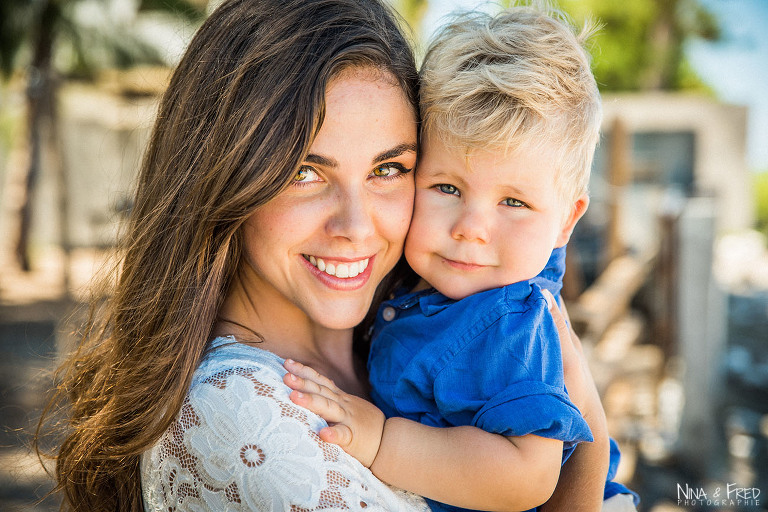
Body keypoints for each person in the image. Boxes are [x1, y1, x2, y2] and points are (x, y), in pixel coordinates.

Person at [37, 0, 612, 510]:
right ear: (224, 177)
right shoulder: (240, 419)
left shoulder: (422, 317)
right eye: (306, 172)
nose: (357, 226)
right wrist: (585, 408)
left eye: (388, 169)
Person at [283, 5, 639, 512]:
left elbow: (526, 475)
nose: (471, 227)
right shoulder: (423, 276)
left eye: (513, 202)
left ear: (566, 220)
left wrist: (383, 442)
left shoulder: (510, 321)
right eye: (447, 187)